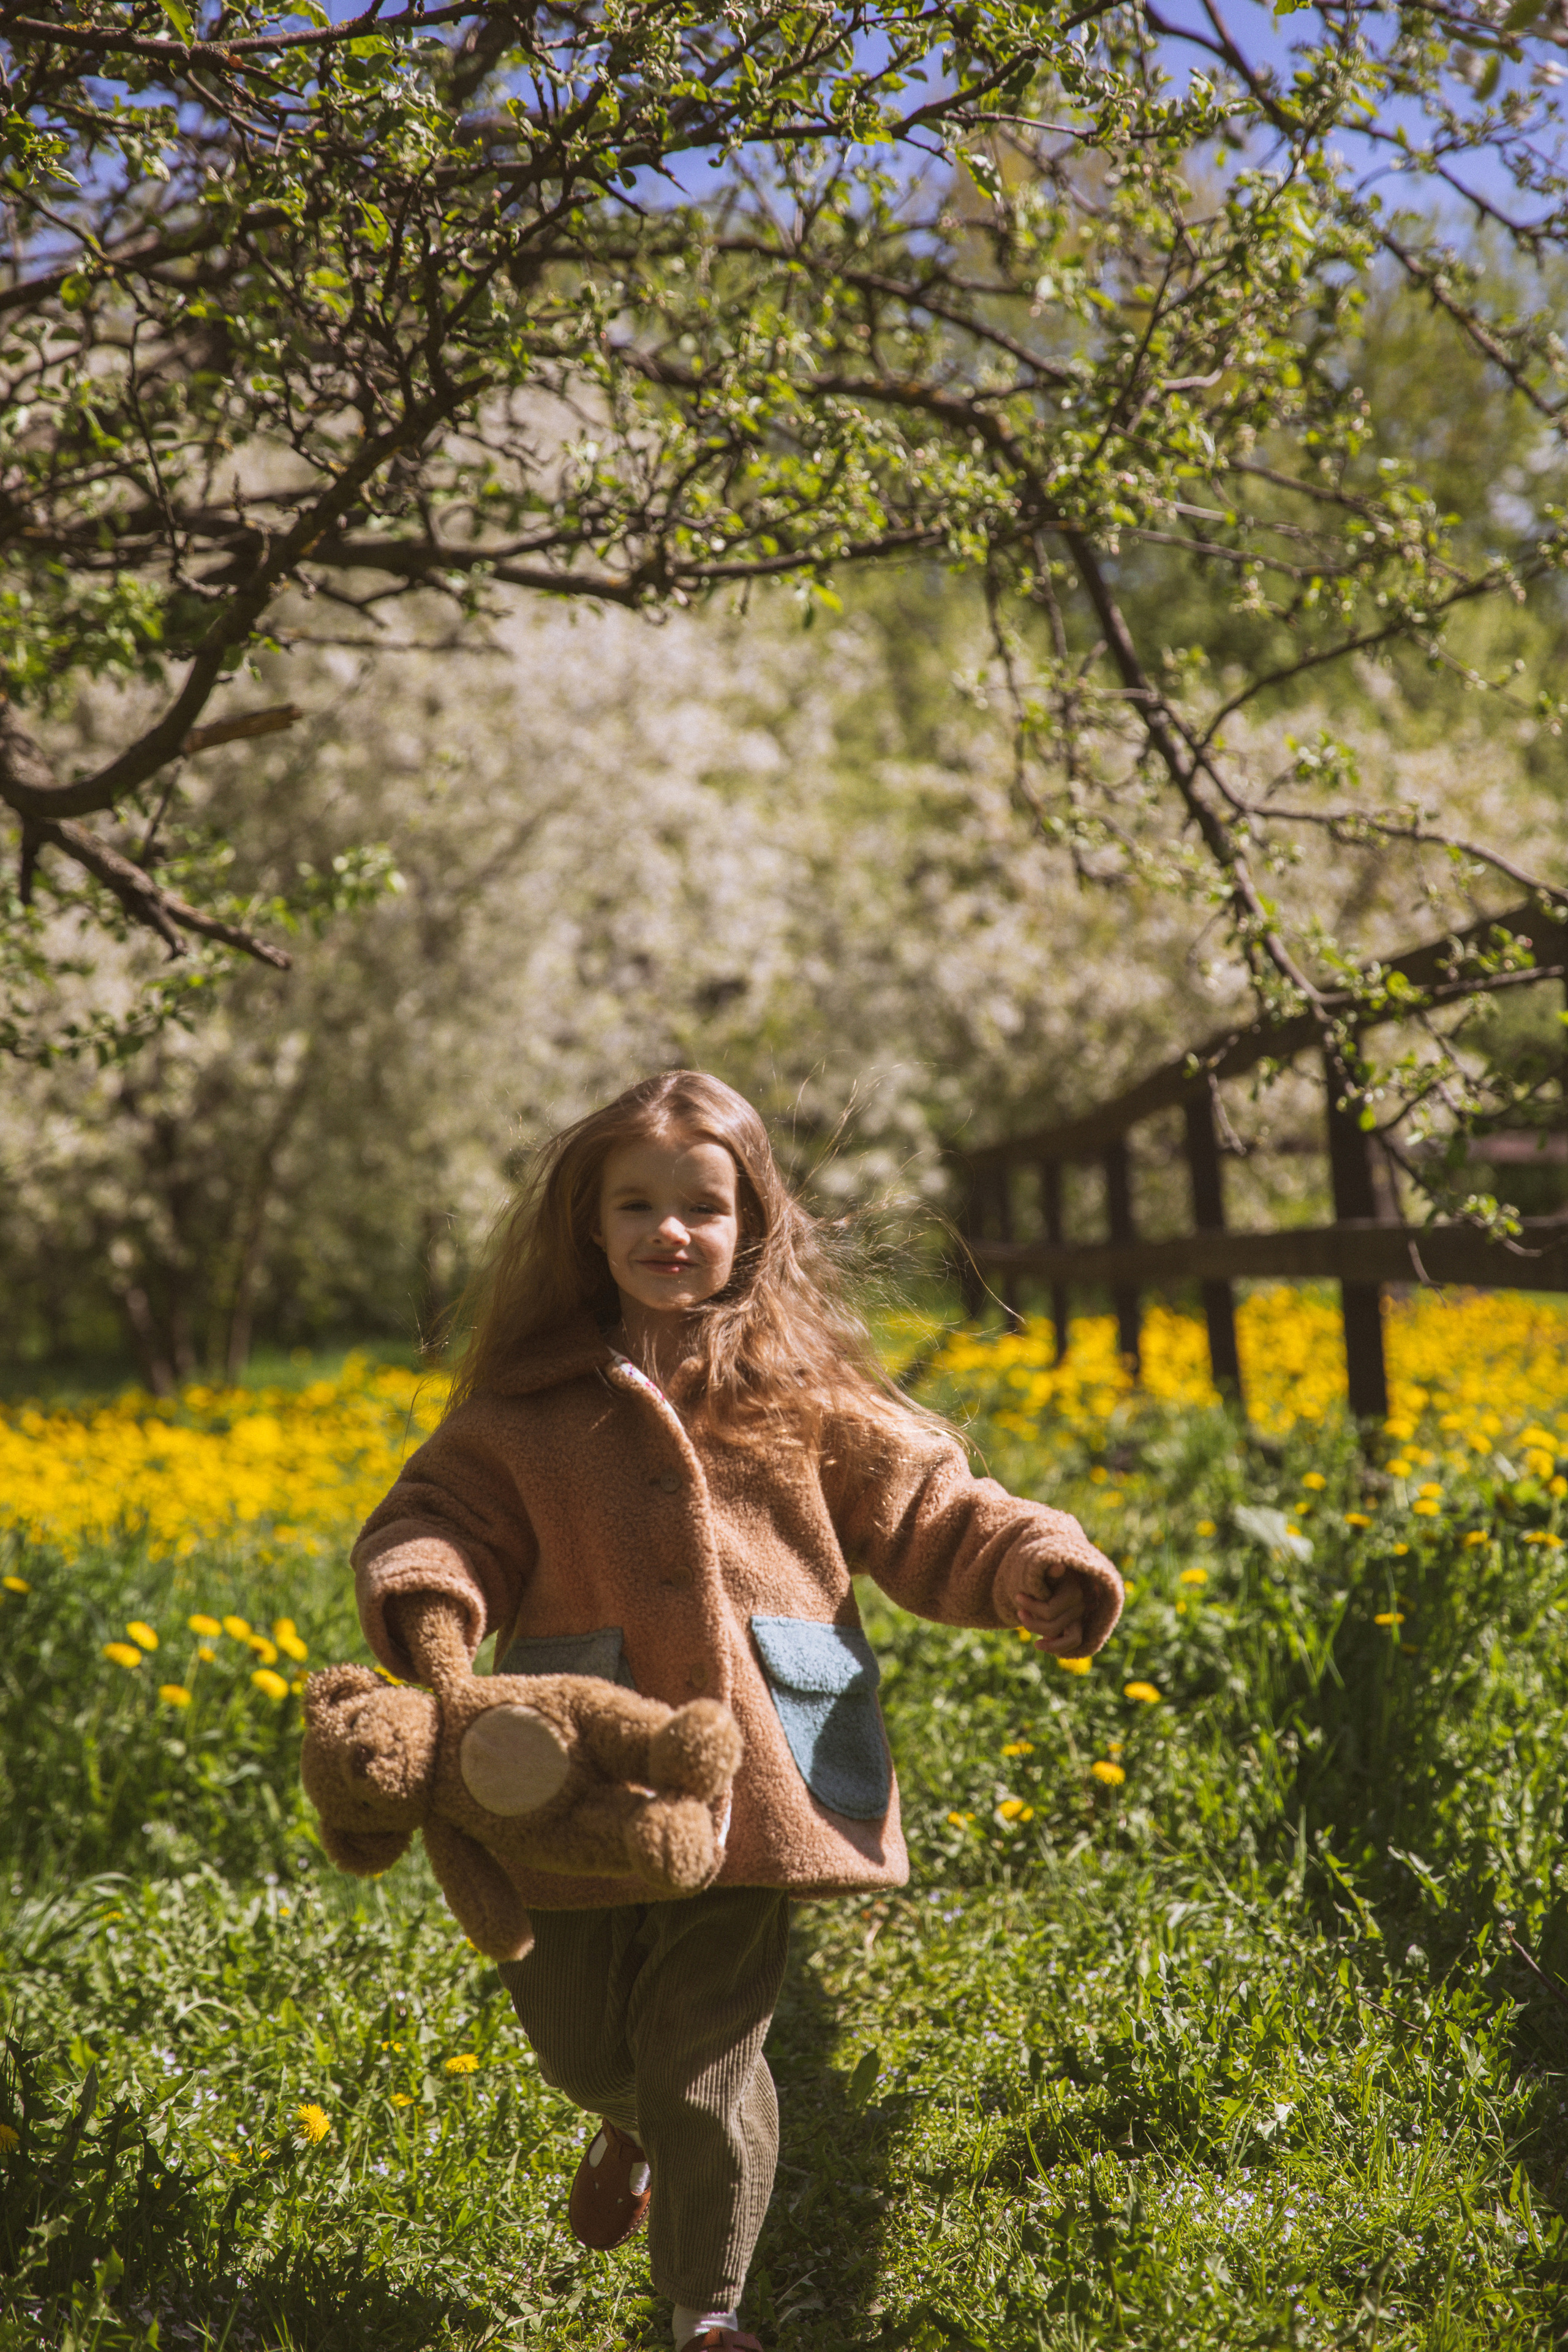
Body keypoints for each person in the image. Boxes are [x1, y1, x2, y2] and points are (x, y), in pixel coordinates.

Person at [352, 1071, 1123, 2351]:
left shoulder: (802, 1395)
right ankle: (629, 2119)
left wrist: (1030, 1557)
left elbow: (936, 1507)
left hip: (757, 1773)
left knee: (709, 2059)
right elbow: (439, 1521)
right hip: (574, 1775)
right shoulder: (522, 1412)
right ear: (586, 1231)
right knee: (579, 2039)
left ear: (750, 1225)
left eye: (701, 1207)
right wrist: (431, 1591)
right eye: (636, 1204)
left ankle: (703, 2313)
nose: (669, 1230)